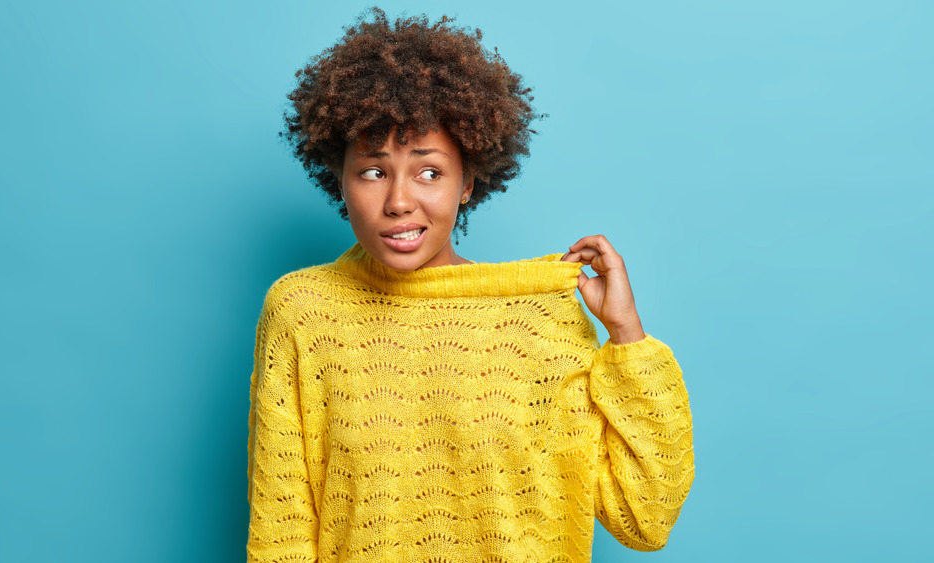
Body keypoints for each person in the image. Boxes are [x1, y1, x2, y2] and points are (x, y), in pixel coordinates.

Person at [247, 8, 694, 562]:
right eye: (373, 171)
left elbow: (644, 517)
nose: (399, 201)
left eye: (429, 171)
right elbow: (281, 531)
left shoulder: (541, 322)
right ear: (339, 179)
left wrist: (626, 336)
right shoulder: (303, 313)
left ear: (468, 182)